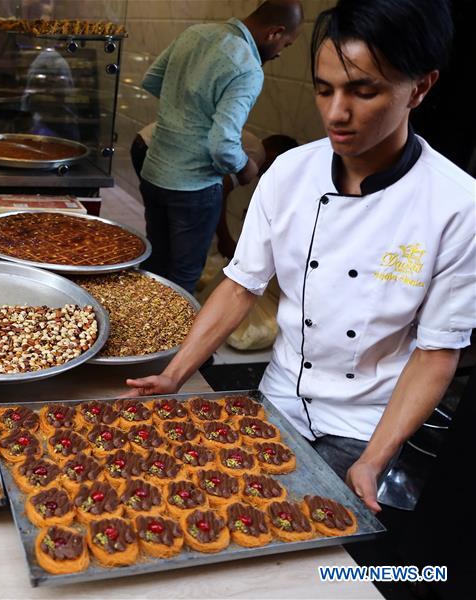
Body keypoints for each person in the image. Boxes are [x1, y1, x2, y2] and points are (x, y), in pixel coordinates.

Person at [126, 0, 475, 514]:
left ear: (420, 88)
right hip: (277, 399)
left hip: (364, 427)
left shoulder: (456, 204)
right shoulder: (290, 172)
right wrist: (175, 373)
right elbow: (241, 285)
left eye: (364, 91)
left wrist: (373, 460)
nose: (336, 113)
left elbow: (436, 353)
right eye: (324, 88)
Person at [139, 0, 303, 293]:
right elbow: (222, 143)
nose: (279, 53)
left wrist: (184, 107)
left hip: (154, 174)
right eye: (286, 45)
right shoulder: (248, 69)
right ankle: (174, 340)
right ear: (275, 33)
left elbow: (152, 80)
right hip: (193, 188)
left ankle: (142, 335)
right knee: (183, 279)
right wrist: (248, 166)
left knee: (155, 266)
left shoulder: (195, 33)